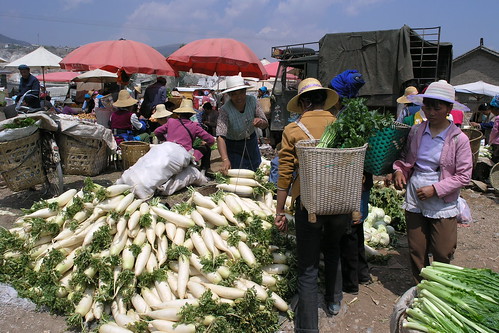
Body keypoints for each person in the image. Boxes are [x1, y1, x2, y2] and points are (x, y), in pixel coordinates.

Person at [274, 78, 348, 331]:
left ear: (304, 102)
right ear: (322, 101)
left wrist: (280, 210)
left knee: (308, 265)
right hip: (340, 203)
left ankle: (308, 327)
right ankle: (334, 300)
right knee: (333, 249)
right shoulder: (341, 126)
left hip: (309, 204)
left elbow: (284, 174)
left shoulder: (293, 130)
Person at [392, 80, 472, 284]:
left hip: (441, 198)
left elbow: (464, 176)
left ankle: (440, 287)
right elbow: (405, 158)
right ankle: (421, 288)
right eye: (427, 106)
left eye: (438, 107)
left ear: (449, 109)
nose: (431, 111)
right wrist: (399, 170)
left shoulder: (458, 139)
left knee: (443, 250)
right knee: (417, 249)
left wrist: (435, 189)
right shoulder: (416, 132)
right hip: (415, 194)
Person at [328, 70, 372, 295]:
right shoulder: (359, 111)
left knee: (348, 230)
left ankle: (350, 283)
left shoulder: (345, 117)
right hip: (363, 178)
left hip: (351, 178)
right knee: (358, 224)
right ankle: (363, 275)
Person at [216, 76, 268, 173]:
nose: (238, 97)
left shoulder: (252, 101)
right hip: (233, 145)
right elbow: (220, 136)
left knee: (256, 170)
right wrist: (225, 159)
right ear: (229, 95)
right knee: (239, 173)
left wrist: (260, 122)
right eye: (234, 94)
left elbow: (265, 123)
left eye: (241, 92)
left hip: (251, 142)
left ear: (245, 92)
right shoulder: (224, 110)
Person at [154, 99, 215, 172]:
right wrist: (207, 144)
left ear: (179, 113)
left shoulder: (171, 121)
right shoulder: (194, 126)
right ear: (191, 114)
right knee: (206, 148)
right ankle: (204, 171)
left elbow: (157, 132)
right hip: (185, 155)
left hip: (170, 152)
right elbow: (211, 140)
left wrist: (164, 140)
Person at [488, 95, 499, 163]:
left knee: (495, 159)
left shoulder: (497, 118)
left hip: (497, 144)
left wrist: (490, 141)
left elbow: (495, 131)